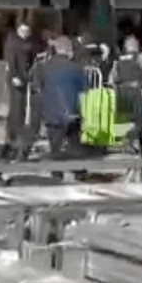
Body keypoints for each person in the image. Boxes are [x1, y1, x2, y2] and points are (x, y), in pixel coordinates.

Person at [25, 36, 88, 179]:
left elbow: (37, 88)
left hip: (52, 110)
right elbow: (85, 90)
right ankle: (78, 171)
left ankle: (56, 172)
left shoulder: (43, 67)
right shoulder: (76, 68)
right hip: (71, 111)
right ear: (69, 51)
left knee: (55, 144)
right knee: (74, 143)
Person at [108, 35, 142, 156]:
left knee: (130, 119)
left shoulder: (118, 60)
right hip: (137, 91)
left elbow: (111, 79)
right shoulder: (141, 57)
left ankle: (133, 142)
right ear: (136, 46)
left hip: (121, 92)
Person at [2, 22, 39, 161]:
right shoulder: (13, 42)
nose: (25, 33)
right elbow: (11, 60)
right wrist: (14, 76)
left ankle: (14, 135)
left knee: (19, 107)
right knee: (17, 108)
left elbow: (30, 58)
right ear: (18, 30)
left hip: (23, 77)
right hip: (16, 77)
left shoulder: (27, 42)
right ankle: (14, 136)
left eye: (27, 31)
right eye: (23, 30)